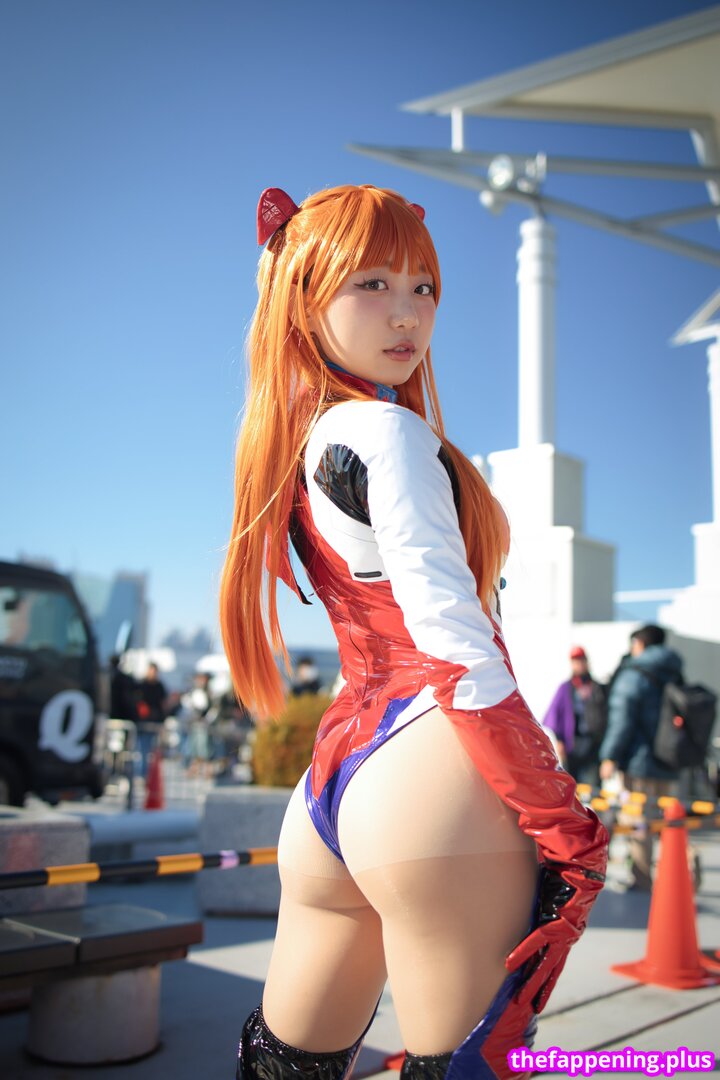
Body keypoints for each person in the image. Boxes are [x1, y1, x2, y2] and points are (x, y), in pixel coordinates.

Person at [220, 185, 608, 1080]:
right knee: (463, 1066)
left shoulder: (297, 440)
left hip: (335, 783)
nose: (407, 314)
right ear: (302, 295)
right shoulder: (384, 432)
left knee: (286, 1067)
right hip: (434, 769)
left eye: (423, 288)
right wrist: (557, 814)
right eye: (372, 284)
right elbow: (455, 640)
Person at [599, 624, 683, 891]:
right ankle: (684, 869)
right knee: (670, 821)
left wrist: (610, 756)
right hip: (669, 759)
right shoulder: (675, 672)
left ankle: (643, 878)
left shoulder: (633, 673)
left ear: (640, 644)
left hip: (639, 762)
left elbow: (621, 719)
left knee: (638, 822)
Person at [543, 646, 607, 786]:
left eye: (582, 660)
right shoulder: (565, 688)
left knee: (593, 787)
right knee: (572, 785)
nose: (579, 664)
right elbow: (554, 715)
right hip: (573, 746)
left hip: (593, 747)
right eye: (576, 661)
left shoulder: (598, 688)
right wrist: (559, 741)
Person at [136, 661, 167, 776]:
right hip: (143, 723)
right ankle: (141, 774)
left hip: (155, 724)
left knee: (153, 752)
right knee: (142, 750)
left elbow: (163, 704)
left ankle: (150, 776)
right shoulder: (142, 685)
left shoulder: (159, 686)